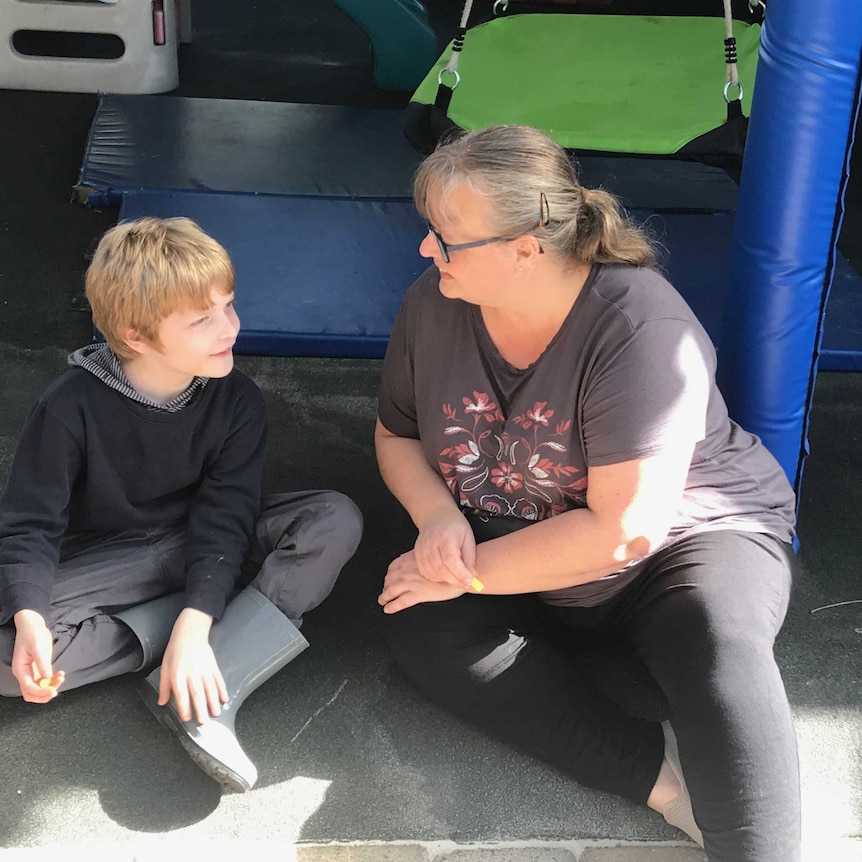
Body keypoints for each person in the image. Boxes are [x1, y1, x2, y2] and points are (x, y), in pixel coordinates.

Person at [375, 125, 800, 861]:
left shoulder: (639, 326)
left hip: (678, 547)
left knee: (716, 641)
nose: (426, 250)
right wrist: (438, 519)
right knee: (418, 625)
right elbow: (398, 436)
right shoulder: (434, 303)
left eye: (447, 237)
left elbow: (624, 534)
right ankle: (666, 787)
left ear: (524, 248)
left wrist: (462, 571)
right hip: (515, 535)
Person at [0, 217, 362, 792]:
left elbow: (226, 514)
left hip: (211, 542)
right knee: (12, 657)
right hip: (121, 561)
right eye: (202, 319)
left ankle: (212, 680)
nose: (229, 329)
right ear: (136, 335)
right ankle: (225, 629)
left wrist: (195, 625)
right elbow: (30, 524)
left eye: (228, 307)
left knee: (331, 518)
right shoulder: (69, 407)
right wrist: (30, 619)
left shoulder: (236, 398)